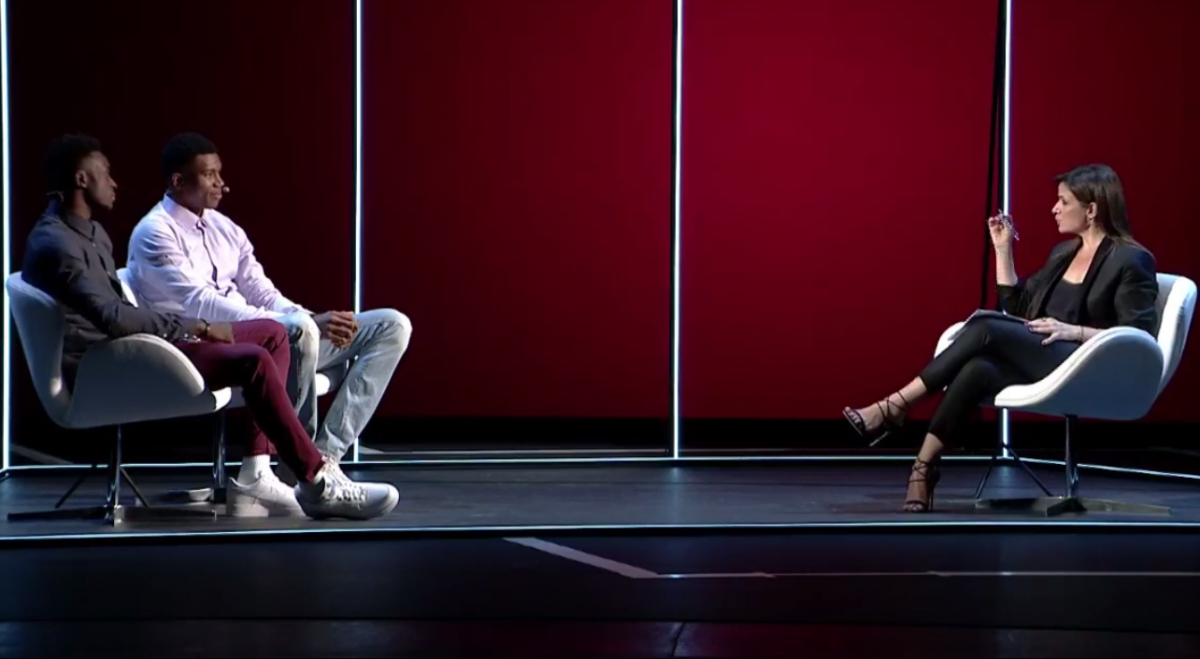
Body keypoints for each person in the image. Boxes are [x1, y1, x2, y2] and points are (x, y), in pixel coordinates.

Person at [22, 134, 401, 521]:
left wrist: (303, 316)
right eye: (105, 174)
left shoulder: (93, 233)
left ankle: (272, 472)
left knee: (288, 333)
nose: (114, 183)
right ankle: (314, 479)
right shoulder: (59, 243)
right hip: (108, 364)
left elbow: (260, 289)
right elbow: (115, 317)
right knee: (263, 351)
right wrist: (199, 326)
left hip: (145, 343)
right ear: (82, 179)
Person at [842, 164, 1159, 513]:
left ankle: (895, 406)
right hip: (1042, 353)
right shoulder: (1063, 254)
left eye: (1064, 201)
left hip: (1085, 362)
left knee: (986, 326)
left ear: (1092, 209)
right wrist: (1003, 249)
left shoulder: (1131, 260)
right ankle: (923, 467)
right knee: (979, 368)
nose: (1054, 209)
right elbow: (1017, 308)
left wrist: (1076, 331)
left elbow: (1138, 336)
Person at [125, 133, 412, 484]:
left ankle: (323, 458)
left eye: (220, 173)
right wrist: (303, 322)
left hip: (268, 335)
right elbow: (203, 304)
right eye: (210, 175)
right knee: (300, 330)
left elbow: (261, 291)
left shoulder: (225, 228)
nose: (221, 184)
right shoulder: (154, 232)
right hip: (205, 346)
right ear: (178, 181)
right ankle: (302, 470)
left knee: (392, 325)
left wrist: (305, 316)